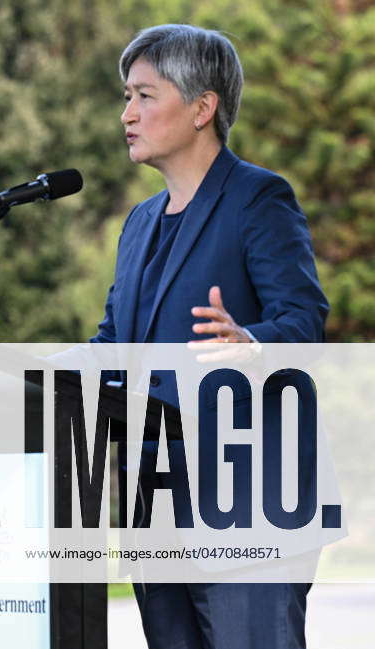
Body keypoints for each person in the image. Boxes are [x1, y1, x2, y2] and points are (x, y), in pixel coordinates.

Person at [93, 25, 327, 649]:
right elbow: (111, 345)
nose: (127, 114)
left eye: (144, 95)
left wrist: (249, 341)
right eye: (126, 96)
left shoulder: (259, 199)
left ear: (203, 108)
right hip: (155, 501)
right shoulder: (139, 223)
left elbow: (305, 319)